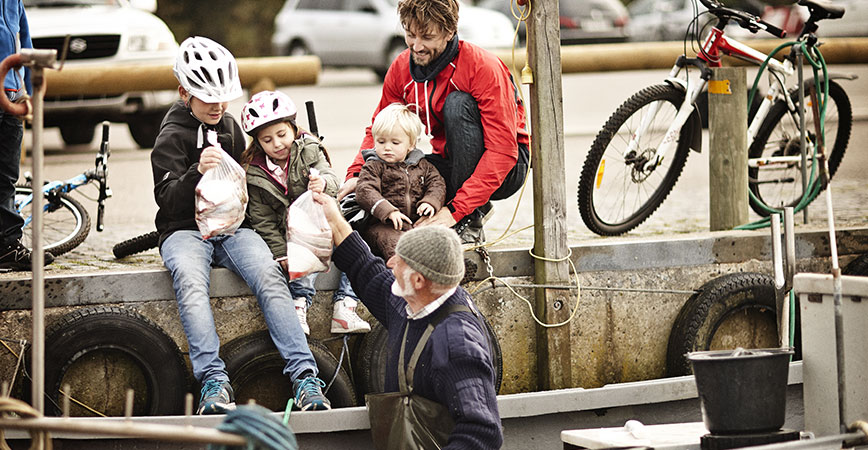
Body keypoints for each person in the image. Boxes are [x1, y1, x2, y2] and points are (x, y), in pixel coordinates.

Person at [151, 36, 330, 414]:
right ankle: (213, 382)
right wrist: (194, 174)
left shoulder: (230, 126)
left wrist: (304, 152)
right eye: (208, 97)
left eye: (223, 97)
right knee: (189, 279)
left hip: (232, 227)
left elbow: (259, 170)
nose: (218, 105)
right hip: (184, 230)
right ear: (185, 92)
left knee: (269, 274)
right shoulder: (170, 135)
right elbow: (165, 199)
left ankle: (306, 378)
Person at [313, 192, 502, 448]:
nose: (390, 262)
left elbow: (482, 433)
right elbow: (367, 271)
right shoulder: (416, 301)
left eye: (399, 261)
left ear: (418, 280)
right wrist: (334, 218)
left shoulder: (458, 342)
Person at [338, 0, 530, 245]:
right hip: (451, 160)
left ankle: (470, 217)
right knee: (396, 168)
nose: (416, 46)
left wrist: (455, 211)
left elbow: (502, 152)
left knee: (457, 105)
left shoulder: (483, 67)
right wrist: (357, 174)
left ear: (449, 32)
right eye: (410, 35)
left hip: (507, 167)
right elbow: (379, 129)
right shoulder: (401, 67)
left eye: (427, 37)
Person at [240, 89, 370, 335]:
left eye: (281, 134)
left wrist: (323, 184)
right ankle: (299, 304)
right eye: (267, 140)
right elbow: (262, 219)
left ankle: (346, 305)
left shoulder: (309, 149)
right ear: (257, 142)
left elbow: (331, 177)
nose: (277, 144)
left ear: (292, 128)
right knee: (305, 250)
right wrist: (280, 253)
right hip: (288, 234)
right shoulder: (254, 173)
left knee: (356, 244)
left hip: (319, 222)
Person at [0, 0, 54, 270]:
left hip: (10, 96)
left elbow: (26, 43)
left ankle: (7, 246)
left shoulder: (14, 2)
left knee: (7, 176)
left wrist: (29, 95)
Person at [355, 103, 446, 260]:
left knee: (438, 238)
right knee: (394, 242)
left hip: (415, 223)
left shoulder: (423, 166)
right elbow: (365, 190)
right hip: (382, 226)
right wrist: (389, 211)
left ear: (411, 145)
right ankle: (400, 268)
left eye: (395, 143)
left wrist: (430, 202)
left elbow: (437, 184)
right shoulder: (373, 166)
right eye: (381, 142)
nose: (387, 148)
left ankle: (445, 264)